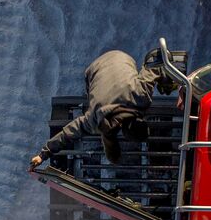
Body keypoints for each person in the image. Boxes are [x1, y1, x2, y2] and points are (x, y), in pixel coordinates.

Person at [29, 50, 174, 169]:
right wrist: (43, 154)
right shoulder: (94, 117)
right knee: (101, 122)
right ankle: (113, 156)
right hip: (95, 70)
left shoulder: (141, 96)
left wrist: (167, 82)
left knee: (103, 125)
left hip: (121, 58)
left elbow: (152, 66)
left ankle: (114, 156)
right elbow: (69, 133)